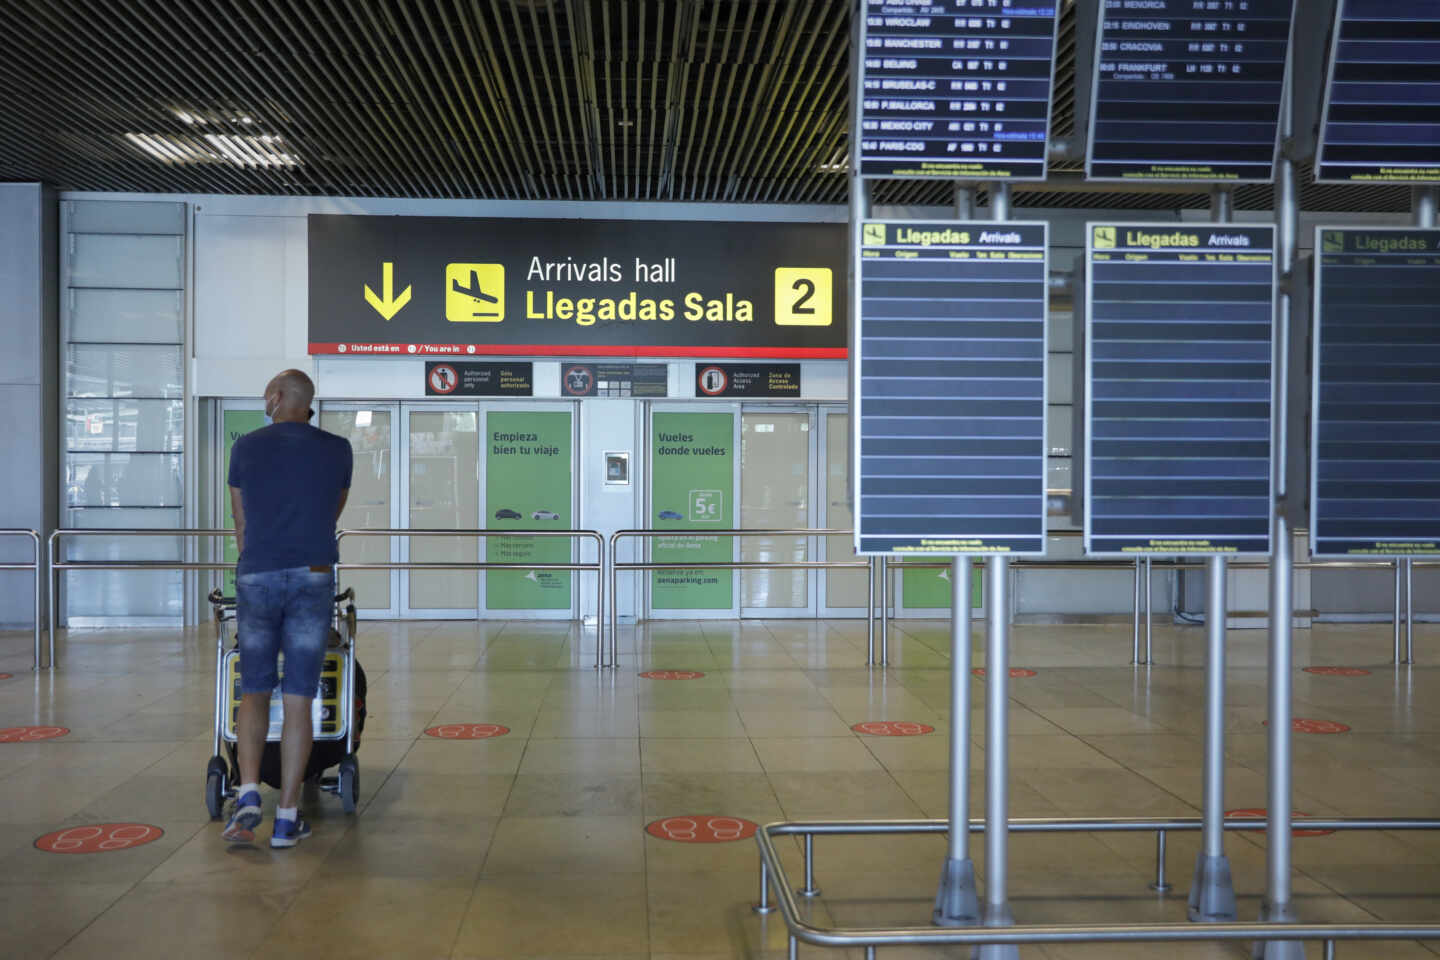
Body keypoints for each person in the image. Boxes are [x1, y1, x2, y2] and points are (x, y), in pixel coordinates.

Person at [223, 369, 352, 848]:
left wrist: (257, 555)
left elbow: (240, 518)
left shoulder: (246, 447)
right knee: (299, 695)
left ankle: (250, 791)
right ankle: (288, 817)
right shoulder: (337, 448)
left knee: (254, 687)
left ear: (276, 398)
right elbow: (331, 511)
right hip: (313, 573)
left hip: (256, 572)